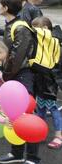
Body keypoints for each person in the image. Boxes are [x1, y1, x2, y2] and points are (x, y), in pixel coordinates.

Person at [0, 0, 41, 164]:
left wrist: (5, 75)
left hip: (23, 76)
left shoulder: (20, 27)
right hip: (15, 76)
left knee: (27, 115)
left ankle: (33, 158)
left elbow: (16, 57)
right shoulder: (11, 25)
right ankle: (17, 152)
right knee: (13, 115)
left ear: (6, 8)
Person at [30, 16, 62, 150]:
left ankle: (58, 136)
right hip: (40, 79)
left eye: (35, 29)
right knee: (41, 109)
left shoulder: (54, 40)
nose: (33, 32)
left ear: (44, 29)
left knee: (53, 109)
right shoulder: (41, 41)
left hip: (50, 81)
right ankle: (41, 132)